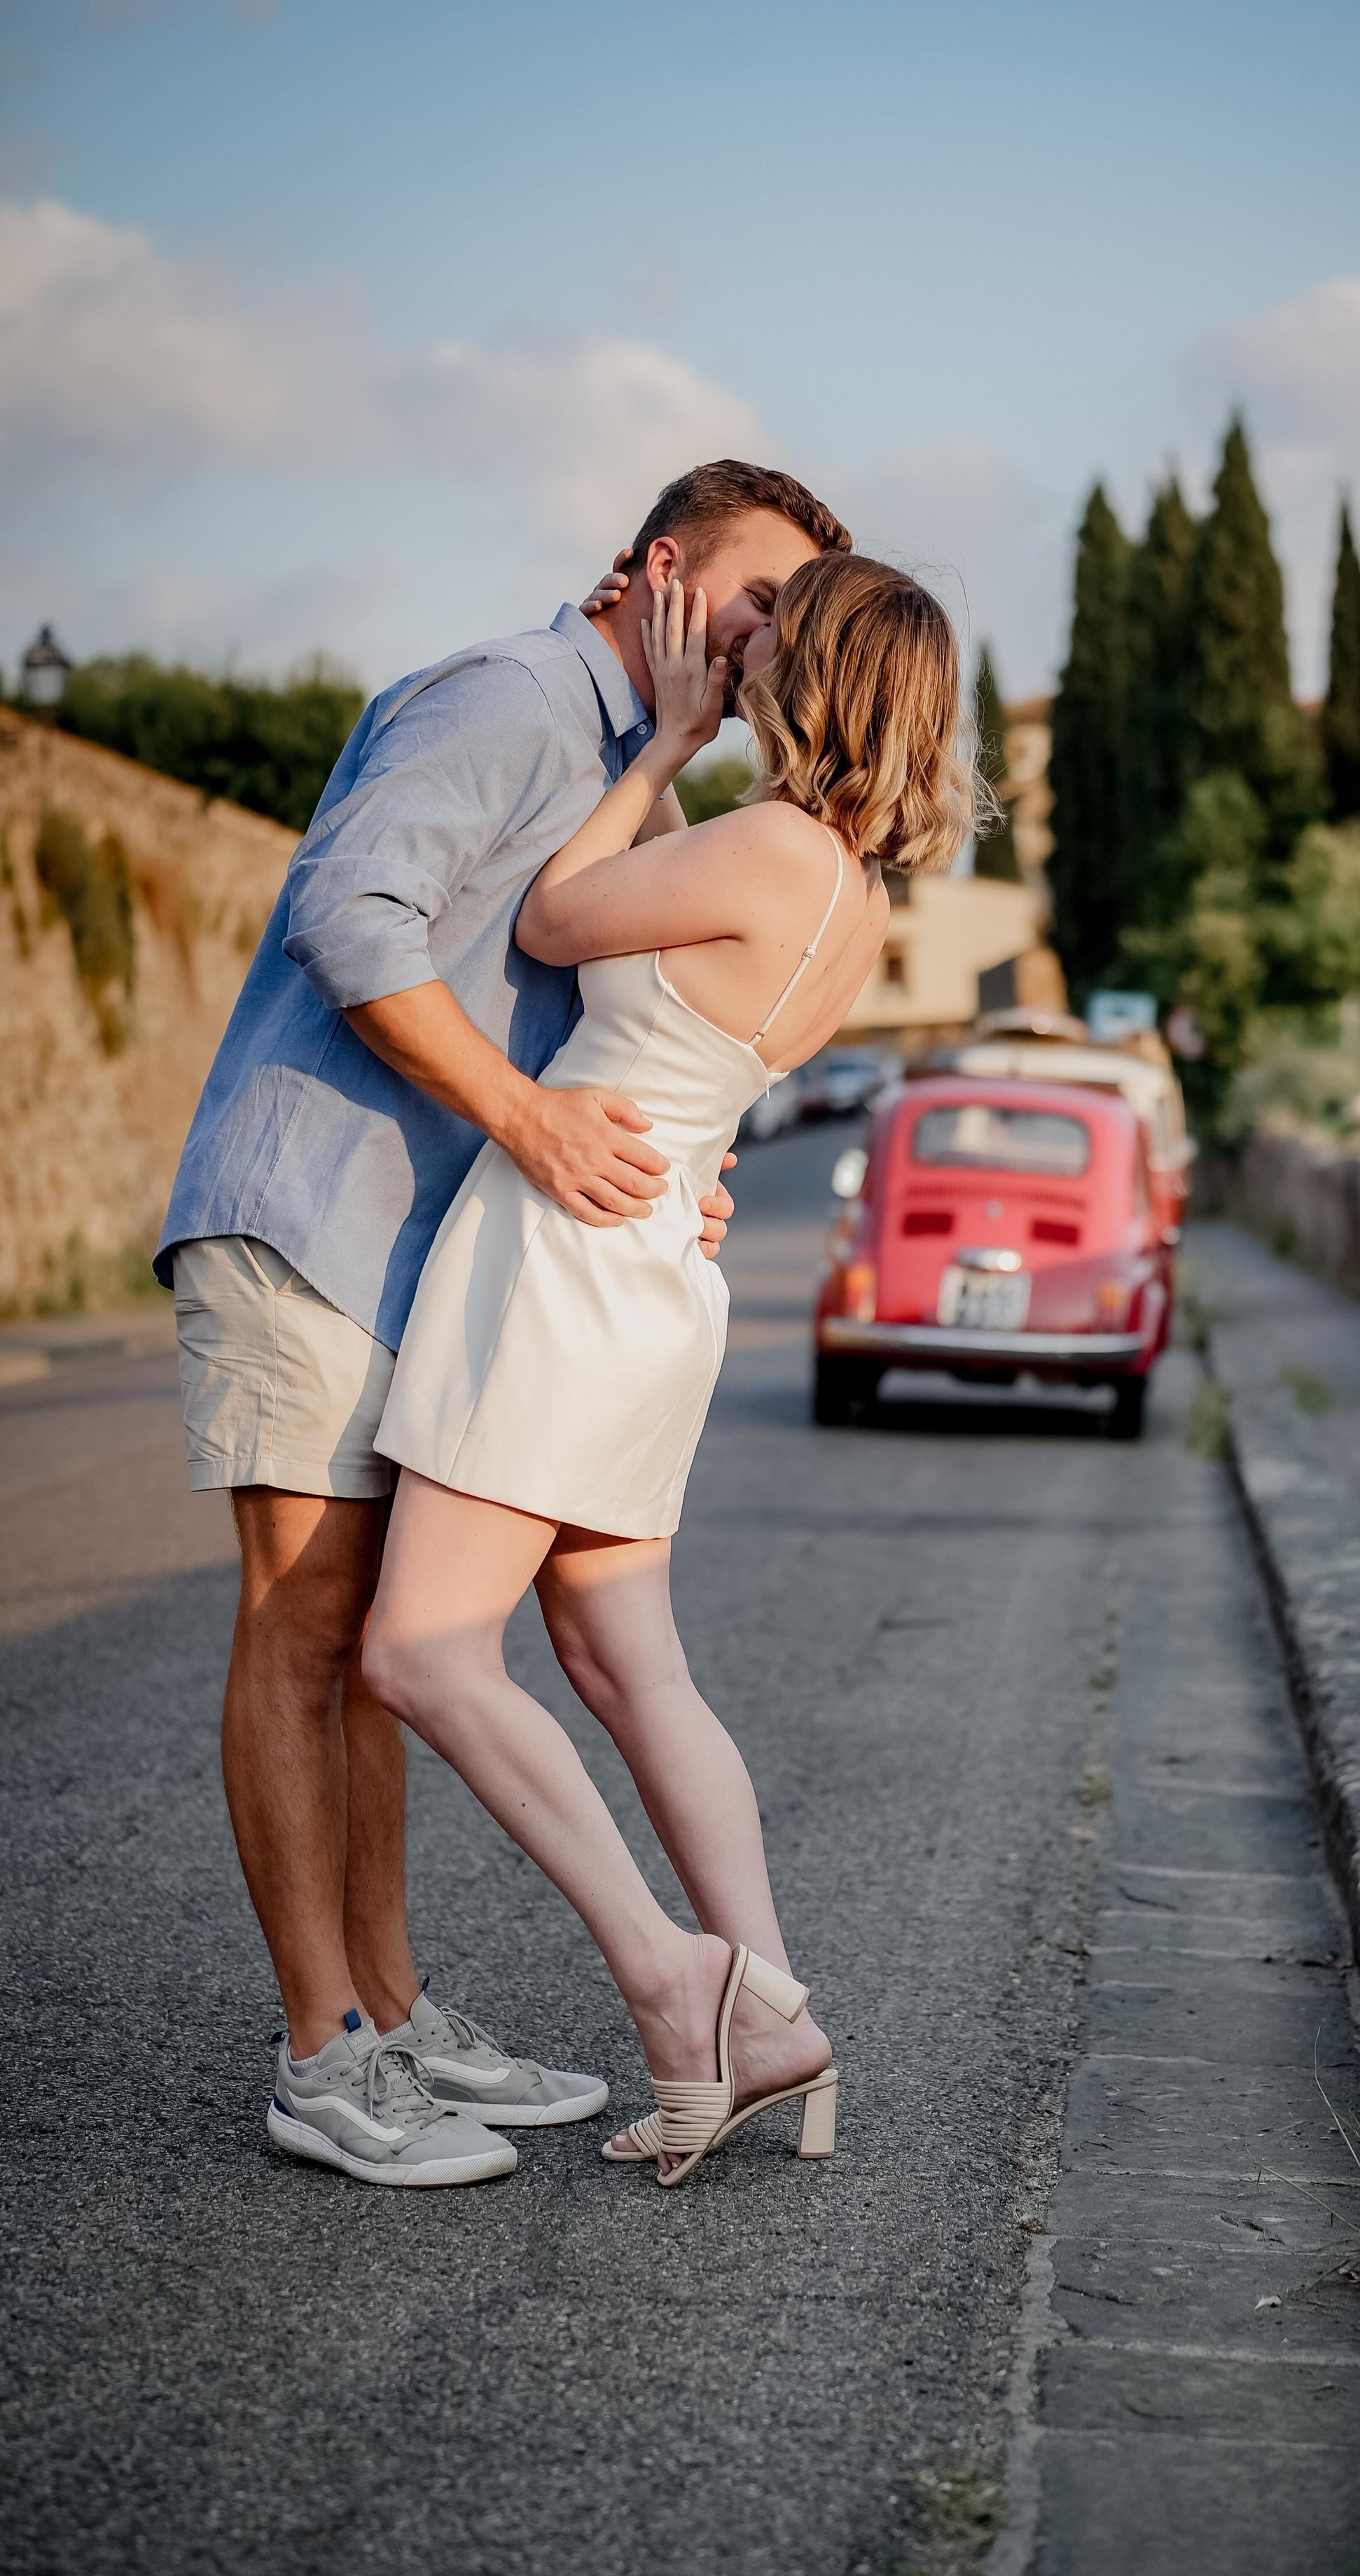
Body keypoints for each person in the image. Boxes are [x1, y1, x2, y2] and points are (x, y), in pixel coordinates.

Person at [155, 461, 849, 2188]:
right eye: (759, 601)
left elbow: (612, 1027)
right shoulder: (513, 696)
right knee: (304, 1630)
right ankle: (322, 2054)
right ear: (661, 569)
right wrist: (535, 1126)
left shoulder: (647, 777)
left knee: (386, 1646)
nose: (776, 641)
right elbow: (348, 916)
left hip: (431, 1253)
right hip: (315, 1211)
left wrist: (665, 1169)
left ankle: (389, 2016)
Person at [359, 552, 976, 2187]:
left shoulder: (765, 839)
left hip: (567, 1257)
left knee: (420, 1651)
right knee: (632, 1665)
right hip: (651, 1267)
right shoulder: (855, 895)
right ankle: (769, 2015)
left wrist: (654, 750)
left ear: (813, 668)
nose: (744, 639)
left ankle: (668, 1970)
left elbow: (556, 916)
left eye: (776, 626)